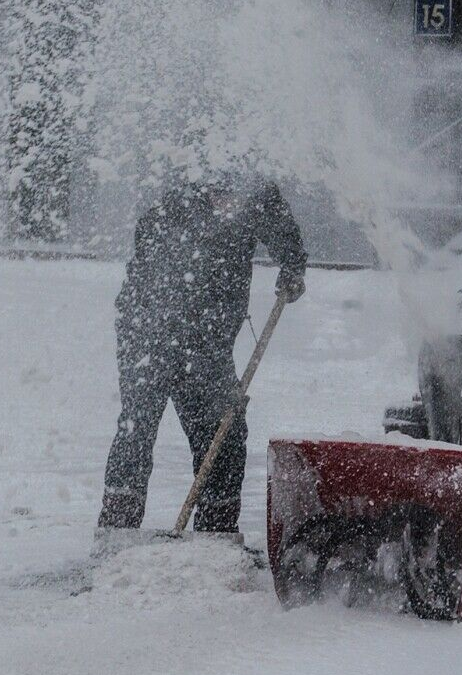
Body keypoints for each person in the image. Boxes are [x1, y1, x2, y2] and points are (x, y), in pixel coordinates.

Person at [98, 170, 308, 533]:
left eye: (231, 196)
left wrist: (292, 265)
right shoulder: (174, 206)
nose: (226, 203)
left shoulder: (254, 194)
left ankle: (216, 531)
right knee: (138, 425)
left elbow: (281, 226)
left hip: (207, 341)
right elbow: (146, 277)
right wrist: (168, 325)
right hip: (148, 332)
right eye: (217, 195)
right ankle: (117, 528)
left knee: (223, 433)